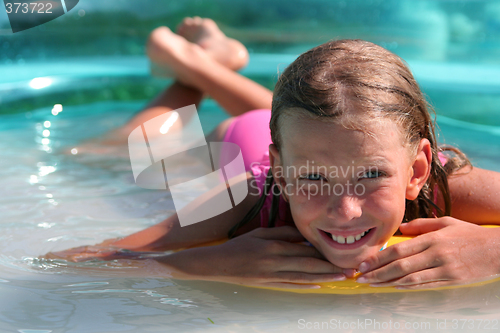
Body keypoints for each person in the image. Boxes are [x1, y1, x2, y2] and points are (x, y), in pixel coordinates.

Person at [49, 17, 500, 290]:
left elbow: (323, 139)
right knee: (129, 147)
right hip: (238, 146)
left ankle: (206, 61)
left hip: (305, 135)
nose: (345, 211)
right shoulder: (246, 198)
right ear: (281, 174)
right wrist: (204, 262)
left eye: (371, 175)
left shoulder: (445, 188)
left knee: (312, 115)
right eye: (314, 180)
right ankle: (191, 74)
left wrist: (491, 250)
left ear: (417, 169)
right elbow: (78, 261)